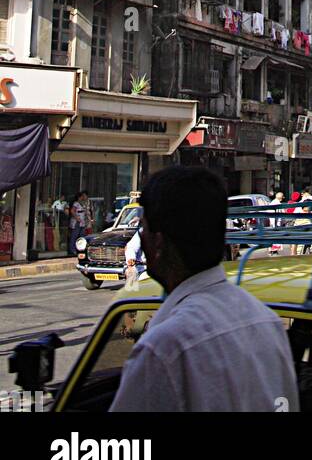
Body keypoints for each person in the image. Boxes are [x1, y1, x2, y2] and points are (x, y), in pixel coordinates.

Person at [110, 166, 299, 413]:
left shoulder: (163, 349)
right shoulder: (265, 321)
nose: (141, 240)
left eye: (144, 229)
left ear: (158, 242)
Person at [68, 190, 93, 256]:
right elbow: (72, 211)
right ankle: (72, 249)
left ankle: (81, 249)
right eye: (82, 196)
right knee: (74, 235)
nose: (83, 197)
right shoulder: (76, 203)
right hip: (77, 222)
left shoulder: (83, 203)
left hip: (83, 222)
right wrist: (77, 218)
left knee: (82, 236)